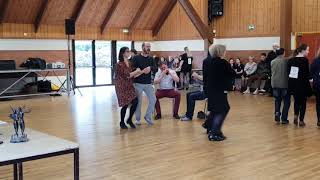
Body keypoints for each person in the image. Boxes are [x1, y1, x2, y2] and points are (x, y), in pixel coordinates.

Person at [203, 44, 236, 141]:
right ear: (220, 51)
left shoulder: (207, 61)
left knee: (214, 109)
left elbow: (206, 77)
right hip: (219, 90)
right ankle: (214, 133)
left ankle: (209, 125)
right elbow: (232, 73)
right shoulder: (222, 62)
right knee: (223, 109)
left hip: (210, 89)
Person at [115, 47, 142, 129]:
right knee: (125, 104)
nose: (129, 52)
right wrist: (137, 71)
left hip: (129, 85)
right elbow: (127, 75)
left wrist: (141, 71)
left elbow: (133, 74)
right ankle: (122, 122)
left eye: (129, 51)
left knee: (135, 101)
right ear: (123, 53)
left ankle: (129, 119)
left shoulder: (129, 63)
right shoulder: (119, 64)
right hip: (121, 86)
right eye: (127, 51)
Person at [132, 42, 157, 125]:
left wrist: (150, 68)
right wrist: (139, 70)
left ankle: (147, 116)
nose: (149, 48)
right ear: (143, 47)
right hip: (138, 83)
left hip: (148, 84)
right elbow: (132, 68)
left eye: (149, 46)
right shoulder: (136, 58)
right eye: (147, 46)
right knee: (139, 102)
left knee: (153, 99)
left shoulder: (151, 59)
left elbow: (155, 68)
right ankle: (138, 119)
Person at [288, 44, 312, 127]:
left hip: (294, 85)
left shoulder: (291, 60)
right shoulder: (305, 60)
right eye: (307, 50)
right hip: (303, 85)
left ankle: (295, 116)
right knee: (303, 103)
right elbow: (307, 73)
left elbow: (289, 73)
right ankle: (301, 120)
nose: (308, 52)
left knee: (296, 102)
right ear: (303, 50)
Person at [271, 48, 290, 124]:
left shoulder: (272, 61)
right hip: (284, 84)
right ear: (283, 53)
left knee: (277, 101)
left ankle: (277, 116)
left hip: (275, 84)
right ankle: (284, 119)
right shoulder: (285, 61)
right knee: (286, 102)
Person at [310, 48, 320, 126]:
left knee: (318, 103)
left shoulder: (315, 60)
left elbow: (311, 72)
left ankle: (319, 120)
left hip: (317, 84)